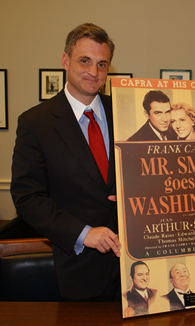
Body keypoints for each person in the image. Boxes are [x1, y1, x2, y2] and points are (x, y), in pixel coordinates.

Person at [11, 23, 122, 301]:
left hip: (137, 268)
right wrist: (84, 234)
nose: (93, 72)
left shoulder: (126, 111)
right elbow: (28, 198)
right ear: (65, 60)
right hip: (80, 270)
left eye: (102, 64)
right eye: (85, 61)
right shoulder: (35, 123)